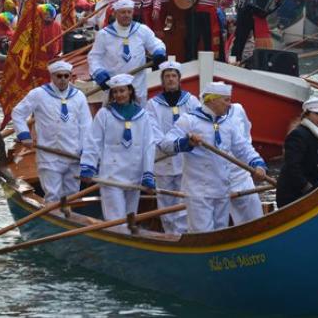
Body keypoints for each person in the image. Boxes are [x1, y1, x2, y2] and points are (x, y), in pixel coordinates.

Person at [159, 82, 268, 233]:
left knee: (220, 233)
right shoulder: (189, 120)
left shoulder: (227, 124)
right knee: (203, 234)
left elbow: (243, 148)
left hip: (221, 189)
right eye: (226, 100)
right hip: (199, 192)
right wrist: (186, 143)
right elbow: (165, 144)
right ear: (212, 100)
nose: (230, 105)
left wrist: (258, 164)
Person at [79, 74, 157, 230]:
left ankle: (128, 250)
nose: (119, 95)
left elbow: (148, 146)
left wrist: (148, 174)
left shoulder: (143, 116)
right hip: (111, 176)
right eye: (115, 92)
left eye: (122, 91)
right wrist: (88, 166)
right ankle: (118, 250)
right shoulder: (104, 114)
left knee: (130, 219)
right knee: (116, 223)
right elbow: (94, 141)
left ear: (129, 91)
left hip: (134, 176)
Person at [11, 60, 92, 204]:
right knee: (53, 194)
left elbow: (86, 125)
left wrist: (85, 150)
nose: (62, 80)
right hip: (48, 154)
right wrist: (24, 135)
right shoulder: (38, 94)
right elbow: (18, 113)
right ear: (52, 77)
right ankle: (55, 216)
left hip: (73, 154)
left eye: (66, 76)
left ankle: (69, 220)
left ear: (70, 77)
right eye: (59, 76)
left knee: (73, 195)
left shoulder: (79, 96)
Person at [145, 60, 200, 234]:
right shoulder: (152, 105)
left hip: (186, 161)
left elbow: (199, 125)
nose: (170, 79)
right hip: (163, 161)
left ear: (179, 79)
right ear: (162, 80)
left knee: (183, 202)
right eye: (167, 76)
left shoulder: (191, 101)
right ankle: (170, 234)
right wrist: (167, 145)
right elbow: (153, 130)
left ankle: (182, 235)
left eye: (173, 76)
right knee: (166, 203)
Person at [88, 0, 166, 105]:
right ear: (115, 14)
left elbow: (156, 43)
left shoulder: (142, 30)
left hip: (137, 87)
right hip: (114, 88)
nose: (126, 15)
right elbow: (94, 58)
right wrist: (98, 73)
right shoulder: (104, 34)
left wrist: (159, 51)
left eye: (129, 12)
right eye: (123, 12)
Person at [276, 98, 318, 208]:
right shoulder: (298, 135)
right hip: (294, 194)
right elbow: (292, 166)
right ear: (307, 114)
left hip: (315, 189)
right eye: (317, 114)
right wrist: (308, 188)